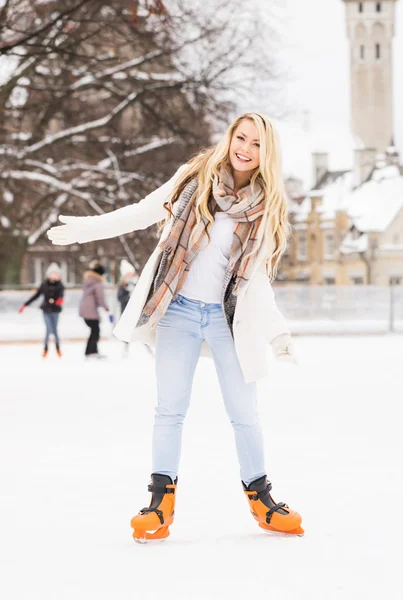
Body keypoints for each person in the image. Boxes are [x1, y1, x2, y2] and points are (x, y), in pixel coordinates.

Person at [48, 112, 304, 541]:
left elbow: (257, 283)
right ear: (230, 137)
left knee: (244, 413)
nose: (245, 148)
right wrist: (86, 231)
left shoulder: (266, 208)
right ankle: (159, 504)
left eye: (257, 144)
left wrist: (277, 334)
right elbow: (144, 212)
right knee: (170, 409)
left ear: (268, 153)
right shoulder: (194, 177)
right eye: (241, 137)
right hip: (179, 311)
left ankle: (262, 499)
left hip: (227, 320)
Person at [19, 262, 64, 358]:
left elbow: (61, 296)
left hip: (55, 310)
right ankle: (46, 349)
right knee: (48, 329)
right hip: (46, 310)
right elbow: (36, 296)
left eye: (56, 274)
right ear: (49, 274)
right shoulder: (44, 285)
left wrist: (58, 300)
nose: (55, 275)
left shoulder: (60, 285)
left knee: (55, 330)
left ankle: (57, 348)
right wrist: (25, 305)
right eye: (53, 273)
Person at [79, 260, 113, 359]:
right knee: (95, 331)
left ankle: (90, 351)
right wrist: (107, 308)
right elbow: (100, 299)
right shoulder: (97, 284)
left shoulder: (88, 280)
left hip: (85, 309)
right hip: (90, 311)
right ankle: (92, 352)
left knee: (94, 331)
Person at [117, 260, 138, 357]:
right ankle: (125, 349)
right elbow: (120, 298)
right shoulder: (122, 285)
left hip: (136, 311)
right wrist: (128, 295)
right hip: (126, 311)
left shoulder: (137, 283)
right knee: (127, 331)